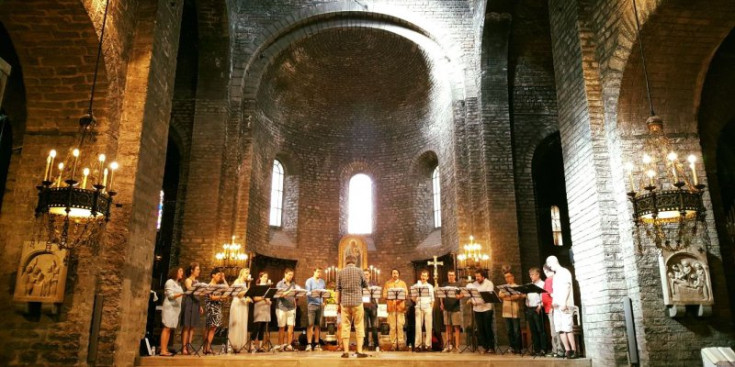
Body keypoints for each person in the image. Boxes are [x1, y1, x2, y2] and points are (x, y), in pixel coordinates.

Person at [336, 255, 368, 358]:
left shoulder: (340, 272)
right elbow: (366, 285)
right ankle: (359, 351)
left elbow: (338, 289)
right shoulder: (359, 271)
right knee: (359, 325)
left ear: (346, 262)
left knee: (345, 326)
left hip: (345, 303)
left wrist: (338, 303)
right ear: (355, 261)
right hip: (357, 302)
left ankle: (346, 352)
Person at [546, 255, 577, 359]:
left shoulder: (564, 272)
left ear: (554, 261)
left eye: (550, 264)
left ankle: (574, 350)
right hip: (557, 306)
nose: (550, 267)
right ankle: (567, 350)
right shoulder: (555, 275)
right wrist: (554, 302)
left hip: (565, 304)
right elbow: (555, 291)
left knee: (567, 327)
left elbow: (567, 288)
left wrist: (563, 302)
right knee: (560, 328)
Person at [467, 269, 495, 354]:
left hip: (487, 309)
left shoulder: (489, 284)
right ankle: (484, 347)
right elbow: (472, 295)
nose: (477, 278)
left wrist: (475, 302)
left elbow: (486, 298)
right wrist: (472, 300)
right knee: (480, 329)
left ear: (483, 276)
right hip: (477, 309)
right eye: (476, 276)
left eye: (478, 276)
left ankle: (491, 347)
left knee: (487, 328)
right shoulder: (474, 284)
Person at [159, 267, 184, 356]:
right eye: (180, 271)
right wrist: (181, 294)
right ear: (175, 272)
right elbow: (170, 296)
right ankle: (162, 350)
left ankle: (165, 349)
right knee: (166, 327)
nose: (182, 273)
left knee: (170, 329)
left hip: (176, 309)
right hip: (169, 308)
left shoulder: (178, 284)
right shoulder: (170, 282)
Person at [203, 268, 229, 355]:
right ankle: (205, 347)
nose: (219, 277)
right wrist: (222, 297)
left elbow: (228, 289)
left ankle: (208, 347)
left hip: (217, 307)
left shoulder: (218, 286)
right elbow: (212, 297)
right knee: (209, 327)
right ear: (213, 275)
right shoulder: (209, 285)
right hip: (211, 308)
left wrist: (224, 279)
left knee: (213, 328)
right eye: (218, 275)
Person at [383, 268, 408, 350]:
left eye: (396, 273)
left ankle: (400, 343)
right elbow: (384, 295)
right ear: (391, 274)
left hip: (400, 308)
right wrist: (391, 298)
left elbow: (406, 294)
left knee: (400, 326)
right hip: (391, 308)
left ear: (399, 274)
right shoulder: (387, 283)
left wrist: (398, 300)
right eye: (393, 273)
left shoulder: (402, 283)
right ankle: (393, 344)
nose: (395, 274)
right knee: (392, 327)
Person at [499, 271, 524, 354]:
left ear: (513, 277)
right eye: (506, 277)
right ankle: (512, 346)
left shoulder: (517, 286)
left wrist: (507, 297)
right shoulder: (504, 287)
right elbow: (500, 295)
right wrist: (509, 297)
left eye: (509, 276)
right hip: (506, 311)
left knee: (516, 330)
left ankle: (518, 347)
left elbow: (517, 296)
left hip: (514, 310)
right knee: (509, 330)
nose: (507, 278)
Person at [275, 268, 300, 351]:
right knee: (282, 327)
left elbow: (295, 295)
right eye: (289, 274)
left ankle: (289, 345)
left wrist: (298, 293)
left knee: (291, 327)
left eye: (292, 275)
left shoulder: (293, 284)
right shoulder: (280, 284)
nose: (291, 276)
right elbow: (280, 295)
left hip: (291, 308)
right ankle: (281, 345)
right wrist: (289, 291)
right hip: (281, 308)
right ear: (285, 274)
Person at [181, 262, 203, 355]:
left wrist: (200, 305)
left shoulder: (197, 282)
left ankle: (189, 346)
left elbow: (198, 294)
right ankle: (184, 348)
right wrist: (200, 291)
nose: (199, 271)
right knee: (187, 326)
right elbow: (191, 292)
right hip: (189, 304)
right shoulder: (188, 280)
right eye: (197, 269)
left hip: (196, 304)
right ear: (192, 270)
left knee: (192, 327)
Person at [542, 265, 564, 357]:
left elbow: (551, 294)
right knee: (554, 330)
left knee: (554, 330)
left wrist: (551, 307)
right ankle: (555, 349)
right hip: (550, 308)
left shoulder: (549, 280)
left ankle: (559, 350)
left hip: (551, 308)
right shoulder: (553, 279)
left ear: (546, 271)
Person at [526, 267, 548, 356]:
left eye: (532, 274)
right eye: (530, 275)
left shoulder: (542, 284)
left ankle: (543, 348)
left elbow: (544, 296)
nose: (531, 276)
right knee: (533, 330)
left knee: (540, 329)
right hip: (530, 308)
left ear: (538, 275)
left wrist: (540, 305)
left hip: (538, 308)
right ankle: (536, 349)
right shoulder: (530, 285)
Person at [229, 268, 252, 353]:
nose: (247, 275)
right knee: (237, 323)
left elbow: (246, 294)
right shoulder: (237, 281)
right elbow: (237, 294)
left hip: (243, 304)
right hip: (237, 304)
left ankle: (241, 344)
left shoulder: (245, 283)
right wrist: (247, 291)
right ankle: (234, 344)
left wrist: (247, 297)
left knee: (242, 323)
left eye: (248, 273)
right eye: (246, 273)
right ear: (241, 273)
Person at [440, 270, 463, 353]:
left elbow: (463, 294)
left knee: (456, 327)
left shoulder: (458, 284)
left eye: (452, 275)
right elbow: (441, 295)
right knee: (447, 327)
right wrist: (441, 303)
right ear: (447, 276)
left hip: (455, 308)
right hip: (446, 308)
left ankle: (457, 346)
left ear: (455, 276)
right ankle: (448, 345)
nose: (451, 276)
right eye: (449, 275)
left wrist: (459, 296)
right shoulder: (444, 284)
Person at [412, 269, 434, 351]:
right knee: (418, 326)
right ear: (420, 276)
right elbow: (413, 298)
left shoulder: (430, 287)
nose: (423, 277)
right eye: (422, 275)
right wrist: (415, 299)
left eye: (425, 276)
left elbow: (432, 299)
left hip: (428, 307)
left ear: (428, 277)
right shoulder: (415, 286)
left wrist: (431, 309)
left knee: (428, 327)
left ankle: (428, 345)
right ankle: (418, 345)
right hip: (418, 307)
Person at [305, 267, 325, 351]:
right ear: (314, 272)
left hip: (320, 305)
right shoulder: (309, 281)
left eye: (320, 272)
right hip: (312, 304)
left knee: (318, 325)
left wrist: (324, 301)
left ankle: (316, 343)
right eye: (317, 272)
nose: (319, 273)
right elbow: (307, 292)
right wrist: (315, 293)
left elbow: (324, 292)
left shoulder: (322, 281)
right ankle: (309, 344)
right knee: (310, 324)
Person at [251, 271, 272, 352]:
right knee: (257, 325)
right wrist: (263, 298)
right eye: (264, 277)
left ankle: (260, 346)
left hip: (266, 307)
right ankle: (252, 344)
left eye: (266, 277)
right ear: (260, 278)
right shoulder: (257, 287)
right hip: (259, 307)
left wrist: (269, 301)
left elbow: (269, 298)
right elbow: (255, 299)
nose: (266, 278)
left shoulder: (268, 287)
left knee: (262, 327)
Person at [362, 269, 380, 351]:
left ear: (370, 275)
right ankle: (365, 344)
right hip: (364, 307)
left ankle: (376, 345)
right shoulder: (361, 284)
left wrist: (377, 304)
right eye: (364, 274)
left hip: (372, 306)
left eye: (367, 274)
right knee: (365, 327)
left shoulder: (374, 283)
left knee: (374, 326)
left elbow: (377, 295)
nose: (366, 275)